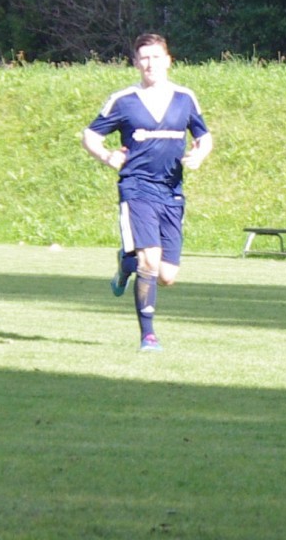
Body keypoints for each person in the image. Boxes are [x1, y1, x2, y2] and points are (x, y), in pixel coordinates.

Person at [80, 33, 213, 352]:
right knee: (150, 262)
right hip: (136, 189)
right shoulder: (123, 100)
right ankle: (148, 336)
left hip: (171, 192)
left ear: (168, 60)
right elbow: (90, 134)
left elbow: (204, 136)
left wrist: (199, 154)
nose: (150, 63)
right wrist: (107, 155)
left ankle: (126, 264)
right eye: (145, 58)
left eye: (156, 57)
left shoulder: (185, 98)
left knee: (167, 275)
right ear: (136, 63)